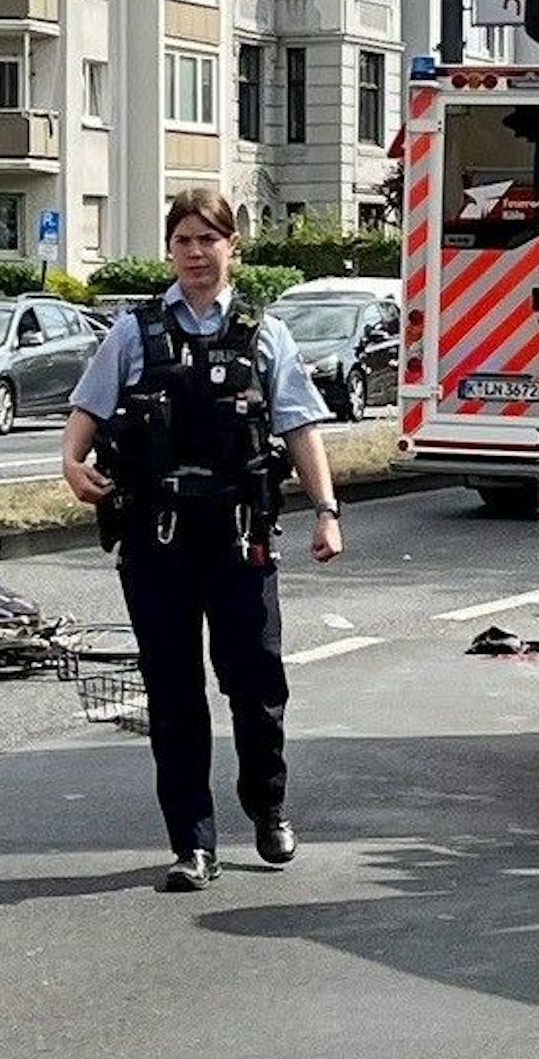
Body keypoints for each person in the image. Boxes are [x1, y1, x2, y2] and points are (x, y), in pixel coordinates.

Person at [60, 188, 343, 893]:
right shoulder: (134, 331)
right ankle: (193, 842)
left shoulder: (263, 332)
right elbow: (86, 408)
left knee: (255, 682)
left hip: (239, 536)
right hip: (159, 541)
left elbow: (301, 428)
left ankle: (267, 805)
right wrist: (72, 462)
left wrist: (327, 510)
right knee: (174, 692)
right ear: (170, 249)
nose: (195, 253)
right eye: (183, 239)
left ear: (231, 248)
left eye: (208, 240)